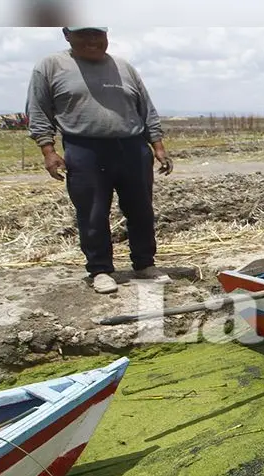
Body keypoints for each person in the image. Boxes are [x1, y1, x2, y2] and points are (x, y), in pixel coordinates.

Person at [26, 27, 172, 294]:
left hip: (132, 147)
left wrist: (158, 146)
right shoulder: (50, 66)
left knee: (141, 210)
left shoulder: (123, 67)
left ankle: (144, 264)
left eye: (97, 35)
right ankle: (101, 269)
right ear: (67, 35)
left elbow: (146, 109)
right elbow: (38, 111)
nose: (92, 41)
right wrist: (48, 151)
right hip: (85, 148)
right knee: (92, 213)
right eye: (84, 35)